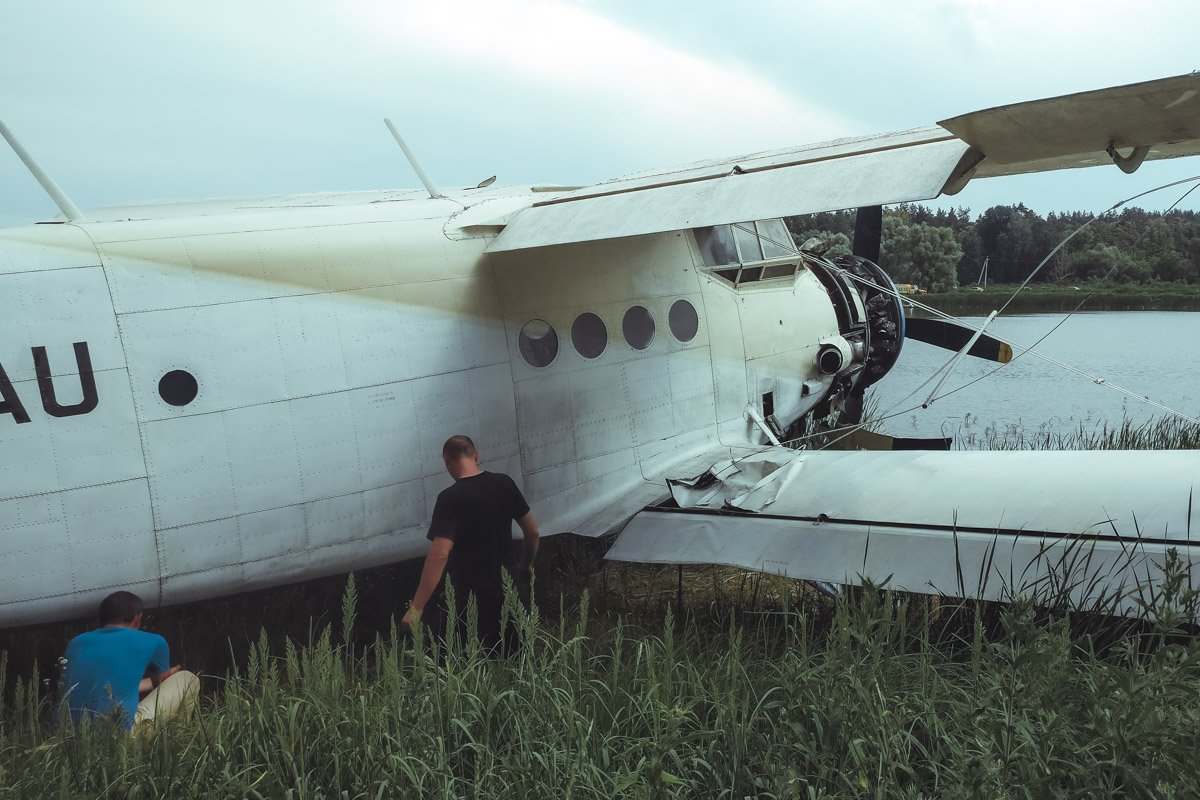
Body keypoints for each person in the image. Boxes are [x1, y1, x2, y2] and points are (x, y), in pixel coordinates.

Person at [403, 435, 540, 652]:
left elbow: (440, 554)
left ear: (446, 461)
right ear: (475, 455)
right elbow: (532, 531)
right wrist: (526, 565)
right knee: (518, 667)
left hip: (471, 604)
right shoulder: (504, 483)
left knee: (459, 668)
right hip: (511, 595)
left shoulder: (449, 499)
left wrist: (417, 607)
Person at [61, 591, 198, 730]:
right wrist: (171, 673)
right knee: (188, 678)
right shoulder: (155, 641)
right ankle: (178, 735)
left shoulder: (75, 643)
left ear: (102, 618)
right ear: (138, 618)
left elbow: (113, 686)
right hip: (116, 735)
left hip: (68, 734)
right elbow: (163, 680)